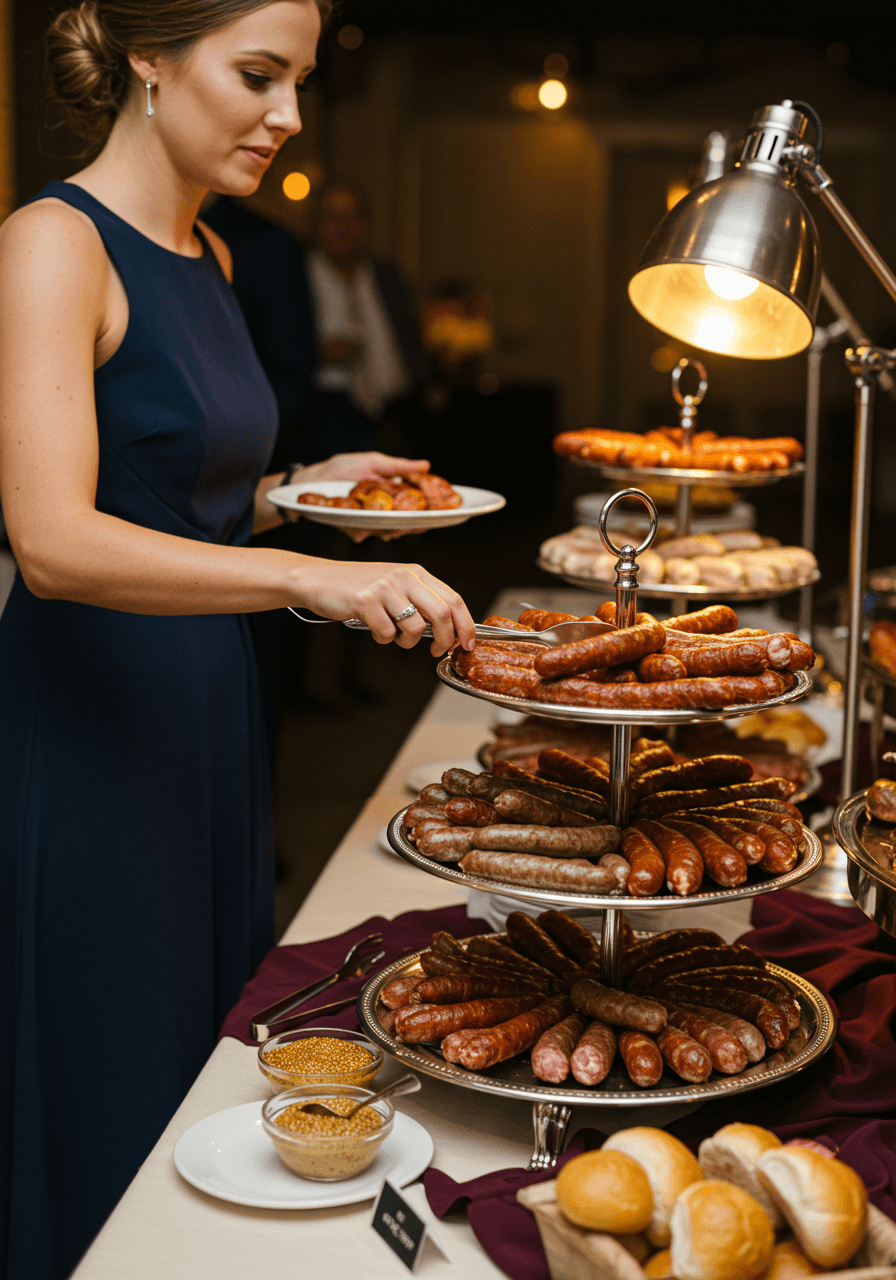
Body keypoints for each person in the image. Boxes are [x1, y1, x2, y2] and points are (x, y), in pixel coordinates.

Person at [0, 3, 474, 1277]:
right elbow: (52, 536)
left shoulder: (204, 253)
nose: (291, 116)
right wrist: (297, 574)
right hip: (97, 725)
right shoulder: (51, 244)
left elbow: (179, 487)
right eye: (260, 75)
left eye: (302, 81)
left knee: (198, 1049)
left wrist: (309, 489)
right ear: (149, 59)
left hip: (211, 708)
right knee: (107, 1062)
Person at [303, 180, 427, 462]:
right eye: (333, 216)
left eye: (352, 216)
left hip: (392, 414)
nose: (343, 227)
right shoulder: (297, 275)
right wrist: (318, 352)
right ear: (316, 221)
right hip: (325, 416)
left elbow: (411, 338)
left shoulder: (386, 275)